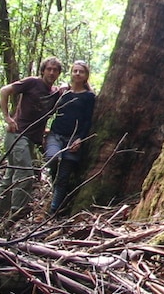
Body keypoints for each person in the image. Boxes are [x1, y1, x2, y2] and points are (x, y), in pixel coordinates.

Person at [0, 57, 63, 224]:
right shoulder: (32, 82)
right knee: (25, 175)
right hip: (17, 136)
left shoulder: (55, 92)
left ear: (58, 73)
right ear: (43, 70)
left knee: (10, 177)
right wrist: (7, 118)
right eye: (49, 69)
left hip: (30, 140)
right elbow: (4, 90)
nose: (51, 72)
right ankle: (15, 216)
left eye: (55, 70)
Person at [44, 60, 96, 215]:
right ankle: (54, 188)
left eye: (81, 71)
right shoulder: (62, 92)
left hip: (74, 139)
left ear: (86, 75)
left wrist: (80, 139)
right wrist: (43, 128)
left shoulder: (89, 97)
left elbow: (88, 120)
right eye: (75, 71)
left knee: (64, 177)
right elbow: (49, 110)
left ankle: (54, 210)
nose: (78, 74)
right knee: (52, 158)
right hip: (56, 135)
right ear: (71, 73)